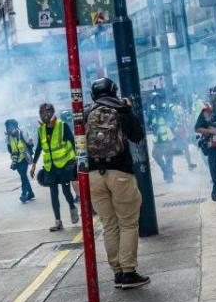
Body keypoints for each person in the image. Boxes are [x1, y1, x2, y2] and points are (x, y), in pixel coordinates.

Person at [84, 77, 150, 289]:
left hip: (94, 175)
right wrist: (128, 110)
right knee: (128, 223)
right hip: (120, 172)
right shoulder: (121, 109)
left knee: (109, 225)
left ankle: (118, 273)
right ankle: (129, 273)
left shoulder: (85, 113)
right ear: (113, 91)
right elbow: (137, 136)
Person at [30, 103, 79, 232]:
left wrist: (75, 161)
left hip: (64, 166)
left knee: (66, 191)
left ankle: (72, 207)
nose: (45, 116)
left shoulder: (62, 126)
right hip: (50, 167)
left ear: (52, 113)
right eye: (43, 113)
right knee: (53, 194)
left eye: (48, 113)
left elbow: (73, 143)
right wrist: (34, 164)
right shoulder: (41, 129)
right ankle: (58, 222)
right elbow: (40, 147)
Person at [147, 92, 177, 183]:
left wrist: (170, 124)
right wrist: (152, 126)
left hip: (167, 138)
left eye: (159, 99)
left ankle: (169, 177)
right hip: (157, 140)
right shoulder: (151, 112)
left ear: (161, 100)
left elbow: (172, 121)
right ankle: (165, 170)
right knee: (155, 155)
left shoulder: (166, 109)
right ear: (153, 101)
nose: (157, 101)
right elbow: (149, 124)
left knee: (168, 158)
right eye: (155, 100)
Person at [5, 119, 35, 204]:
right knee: (23, 176)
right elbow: (10, 150)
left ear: (15, 126)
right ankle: (31, 193)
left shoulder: (23, 134)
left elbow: (31, 144)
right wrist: (14, 160)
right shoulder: (8, 138)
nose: (9, 129)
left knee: (23, 176)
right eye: (8, 127)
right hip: (16, 159)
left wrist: (30, 142)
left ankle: (24, 194)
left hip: (25, 158)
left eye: (11, 127)